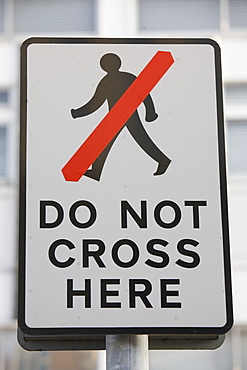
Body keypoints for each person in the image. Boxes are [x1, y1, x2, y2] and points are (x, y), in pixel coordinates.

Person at [71, 53, 171, 181]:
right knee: (105, 142)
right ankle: (96, 170)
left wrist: (150, 112)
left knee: (139, 140)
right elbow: (95, 103)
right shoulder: (117, 79)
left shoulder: (114, 80)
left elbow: (144, 94)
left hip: (125, 115)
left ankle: (163, 160)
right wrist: (78, 113)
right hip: (116, 116)